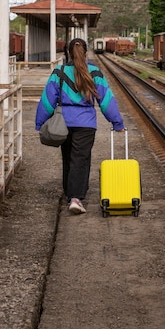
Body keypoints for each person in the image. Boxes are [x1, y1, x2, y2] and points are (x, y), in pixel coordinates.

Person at [35, 37, 124, 215]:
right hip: (86, 124)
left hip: (63, 123)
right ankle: (76, 198)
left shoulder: (59, 72)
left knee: (68, 158)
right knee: (80, 160)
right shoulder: (95, 72)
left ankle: (70, 194)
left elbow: (47, 100)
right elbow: (106, 100)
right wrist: (117, 122)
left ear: (68, 53)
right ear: (86, 52)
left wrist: (40, 122)